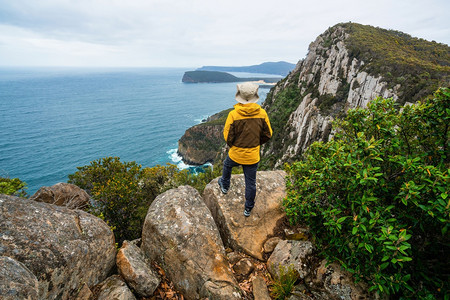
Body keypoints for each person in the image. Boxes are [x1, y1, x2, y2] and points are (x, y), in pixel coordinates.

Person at [218, 82, 273, 217]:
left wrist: (235, 146)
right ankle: (248, 208)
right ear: (255, 96)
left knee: (227, 165)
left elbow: (227, 136)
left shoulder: (233, 114)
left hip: (236, 153)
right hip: (253, 156)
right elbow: (268, 134)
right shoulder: (262, 113)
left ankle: (225, 186)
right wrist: (256, 144)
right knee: (251, 183)